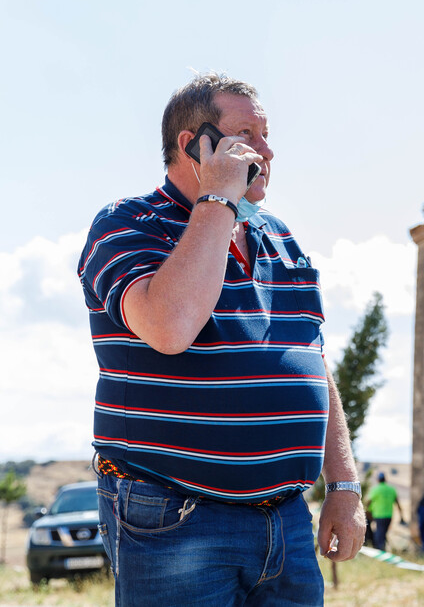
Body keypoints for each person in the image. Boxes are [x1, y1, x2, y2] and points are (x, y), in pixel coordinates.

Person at [78, 72, 366, 606]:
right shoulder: (127, 224)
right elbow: (169, 327)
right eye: (246, 136)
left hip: (286, 519)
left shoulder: (280, 238)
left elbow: (312, 362)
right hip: (176, 519)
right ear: (195, 145)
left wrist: (344, 486)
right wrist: (217, 199)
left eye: (266, 135)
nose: (267, 151)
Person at [365, 471, 406, 551]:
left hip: (378, 515)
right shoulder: (391, 489)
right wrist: (401, 517)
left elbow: (368, 502)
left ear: (378, 480)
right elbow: (397, 503)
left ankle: (379, 551)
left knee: (379, 534)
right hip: (388, 515)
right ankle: (381, 549)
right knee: (382, 533)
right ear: (385, 479)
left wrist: (367, 511)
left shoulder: (375, 489)